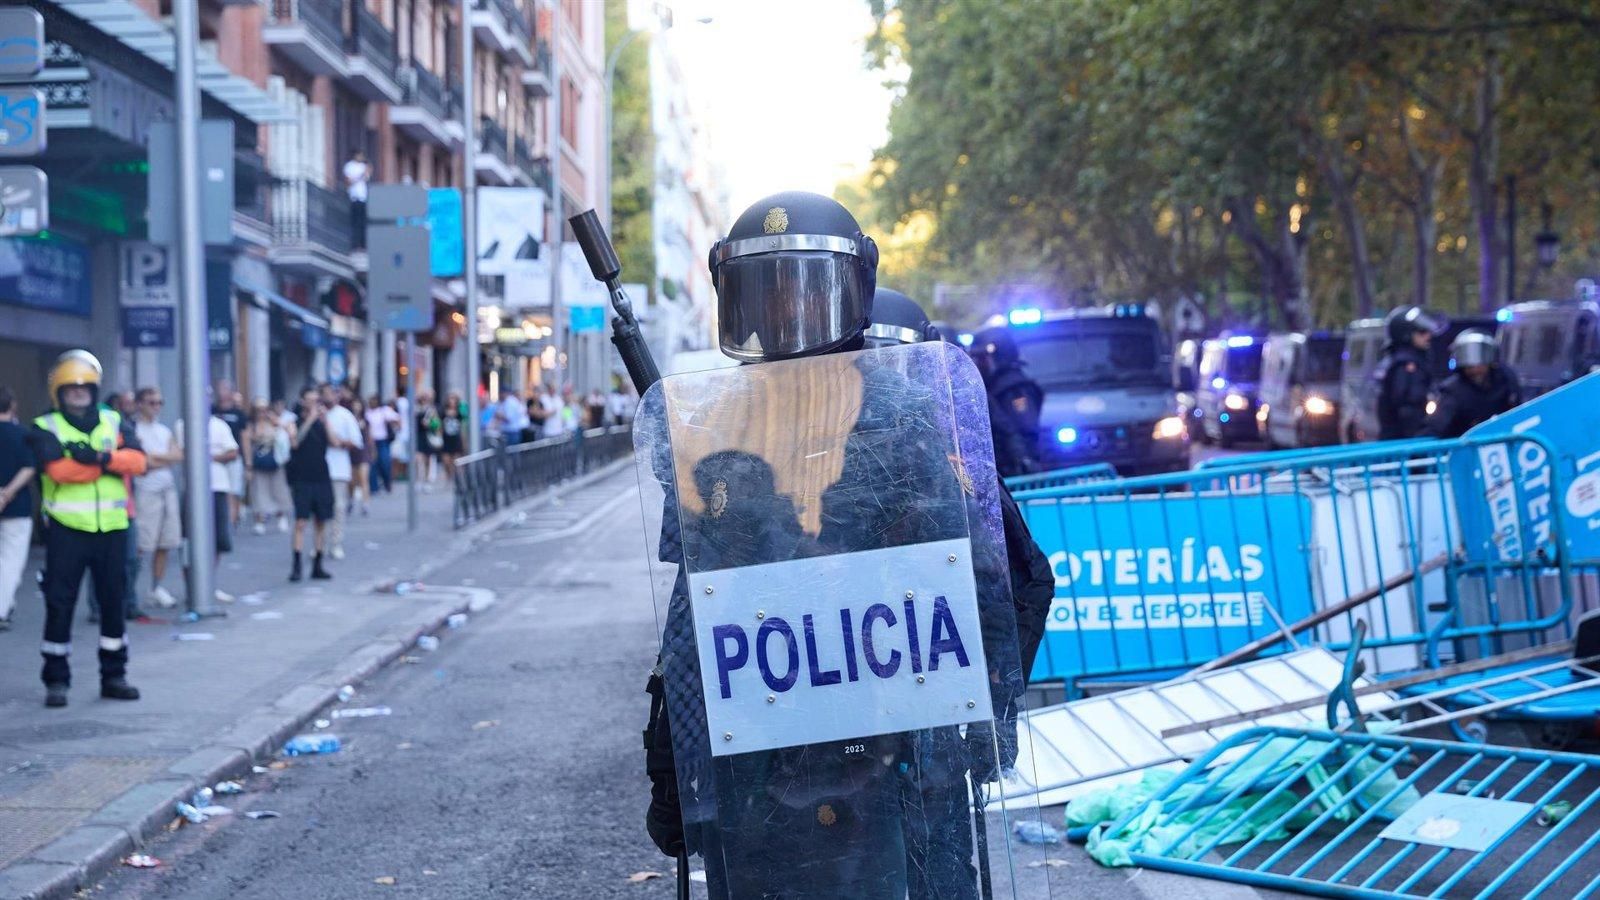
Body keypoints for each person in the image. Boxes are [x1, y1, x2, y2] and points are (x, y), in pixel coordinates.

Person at [641, 193, 1045, 898]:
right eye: (767, 293)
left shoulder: (914, 414)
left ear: (853, 285)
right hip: (765, 768)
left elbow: (999, 577)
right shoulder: (716, 429)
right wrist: (678, 773)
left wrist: (982, 717)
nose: (788, 313)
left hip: (906, 760)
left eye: (807, 291)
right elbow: (691, 624)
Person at [27, 351, 146, 707]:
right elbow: (59, 472)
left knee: (113, 602)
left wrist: (98, 458)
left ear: (94, 391)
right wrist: (111, 464)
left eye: (85, 388)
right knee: (60, 603)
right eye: (70, 389)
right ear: (58, 394)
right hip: (67, 529)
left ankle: (114, 675)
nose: (78, 394)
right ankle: (56, 680)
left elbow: (138, 462)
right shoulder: (45, 426)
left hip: (111, 528)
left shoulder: (113, 420)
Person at [177, 404, 240, 604]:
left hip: (217, 487)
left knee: (218, 539)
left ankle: (208, 583)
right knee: (189, 538)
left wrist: (209, 456)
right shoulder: (181, 425)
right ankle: (191, 589)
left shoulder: (219, 425)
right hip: (193, 489)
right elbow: (180, 452)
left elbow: (233, 452)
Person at [968, 325, 1044, 477]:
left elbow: (1025, 430)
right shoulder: (992, 386)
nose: (977, 364)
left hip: (1018, 472)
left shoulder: (1013, 388)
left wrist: (1023, 461)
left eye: (981, 358)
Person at [131, 388, 183, 609]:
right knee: (142, 542)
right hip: (145, 490)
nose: (156, 407)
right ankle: (129, 588)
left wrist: (156, 459)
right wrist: (164, 459)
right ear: (140, 403)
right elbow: (142, 461)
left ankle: (156, 587)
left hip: (167, 489)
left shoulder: (163, 430)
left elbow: (178, 455)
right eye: (151, 402)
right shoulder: (134, 430)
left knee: (166, 541)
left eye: (159, 402)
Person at [1425, 330, 1522, 438]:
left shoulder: (1505, 380)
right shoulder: (1453, 390)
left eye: (1480, 365)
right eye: (1470, 366)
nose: (1476, 370)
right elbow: (1436, 426)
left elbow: (1516, 411)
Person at [286, 387, 335, 582]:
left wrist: (325, 421)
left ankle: (318, 564)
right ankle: (297, 565)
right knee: (300, 522)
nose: (315, 404)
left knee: (321, 521)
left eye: (317, 400)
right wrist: (310, 419)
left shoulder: (322, 422)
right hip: (302, 478)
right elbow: (295, 442)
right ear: (303, 402)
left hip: (321, 476)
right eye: (311, 400)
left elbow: (334, 442)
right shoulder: (294, 422)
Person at [1375, 305, 1444, 440]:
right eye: (1422, 332)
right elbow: (1408, 407)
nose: (1428, 336)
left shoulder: (1409, 359)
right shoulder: (1406, 365)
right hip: (1405, 440)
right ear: (1406, 335)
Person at [0, 386, 37, 631]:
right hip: (17, 506)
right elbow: (29, 467)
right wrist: (7, 492)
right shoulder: (23, 434)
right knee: (10, 561)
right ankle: (2, 608)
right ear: (12, 405)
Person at [320, 385, 361, 559]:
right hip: (318, 468)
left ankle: (335, 543)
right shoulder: (315, 414)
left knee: (338, 507)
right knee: (320, 509)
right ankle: (319, 544)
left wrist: (338, 441)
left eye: (331, 393)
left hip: (338, 469)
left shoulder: (344, 415)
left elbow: (355, 441)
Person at [245, 400, 291, 534]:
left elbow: (287, 430)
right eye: (259, 410)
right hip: (259, 462)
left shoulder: (274, 422)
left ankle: (281, 515)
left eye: (264, 410)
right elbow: (247, 444)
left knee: (278, 489)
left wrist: (275, 420)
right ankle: (259, 520)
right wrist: (249, 465)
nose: (262, 413)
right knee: (259, 491)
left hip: (274, 461)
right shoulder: (251, 426)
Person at [211, 381, 248, 528]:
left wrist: (248, 462)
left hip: (233, 456)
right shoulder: (212, 410)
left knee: (234, 490)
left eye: (225, 389)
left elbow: (245, 436)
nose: (221, 392)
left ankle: (231, 522)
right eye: (219, 388)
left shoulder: (238, 414)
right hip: (216, 459)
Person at [364, 395, 400, 494]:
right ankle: (373, 487)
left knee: (385, 462)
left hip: (383, 441)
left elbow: (397, 419)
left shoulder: (384, 411)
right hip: (371, 441)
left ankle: (387, 482)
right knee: (373, 464)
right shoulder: (367, 412)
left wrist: (395, 426)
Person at [346, 395, 371, 517]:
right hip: (351, 452)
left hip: (363, 452)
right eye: (354, 404)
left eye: (358, 404)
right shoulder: (348, 419)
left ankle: (365, 504)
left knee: (363, 479)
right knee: (351, 481)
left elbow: (370, 438)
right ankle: (351, 499)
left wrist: (372, 452)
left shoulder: (366, 420)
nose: (356, 407)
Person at [414, 391, 443, 490]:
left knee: (427, 459)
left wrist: (430, 424)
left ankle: (427, 480)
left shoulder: (431, 410)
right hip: (418, 435)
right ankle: (418, 479)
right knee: (418, 459)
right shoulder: (416, 409)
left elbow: (437, 423)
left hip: (428, 435)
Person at [344, 150, 370, 249]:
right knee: (355, 222)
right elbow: (349, 181)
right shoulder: (349, 166)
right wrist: (359, 177)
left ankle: (363, 244)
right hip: (354, 197)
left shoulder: (363, 166)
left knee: (362, 222)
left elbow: (367, 177)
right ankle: (354, 244)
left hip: (362, 197)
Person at [440, 392, 465, 479]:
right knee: (446, 460)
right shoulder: (443, 412)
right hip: (446, 439)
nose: (452, 401)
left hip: (456, 438)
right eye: (450, 399)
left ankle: (456, 478)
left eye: (454, 399)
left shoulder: (459, 413)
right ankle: (449, 476)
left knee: (456, 460)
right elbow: (440, 425)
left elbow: (462, 426)